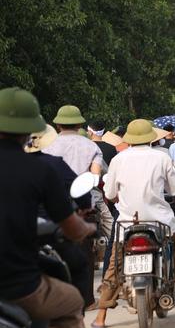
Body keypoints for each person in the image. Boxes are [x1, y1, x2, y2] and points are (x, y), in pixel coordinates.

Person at [0, 87, 96, 328]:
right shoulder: (42, 170)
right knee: (73, 300)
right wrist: (87, 228)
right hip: (19, 286)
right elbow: (73, 228)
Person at [93, 119, 175, 328]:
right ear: (150, 138)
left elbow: (109, 194)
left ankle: (100, 317)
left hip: (127, 225)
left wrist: (119, 198)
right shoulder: (161, 158)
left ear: (128, 139)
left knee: (114, 266)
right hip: (160, 223)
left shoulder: (119, 160)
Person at [43, 104, 112, 310]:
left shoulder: (48, 146)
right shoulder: (91, 147)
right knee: (84, 255)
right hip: (82, 207)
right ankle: (87, 301)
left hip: (52, 207)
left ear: (57, 124)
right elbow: (95, 176)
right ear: (80, 124)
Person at [24, 124, 93, 306]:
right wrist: (85, 207)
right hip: (50, 233)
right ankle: (78, 311)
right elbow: (80, 190)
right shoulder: (53, 164)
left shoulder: (9, 164)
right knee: (79, 266)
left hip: (13, 238)